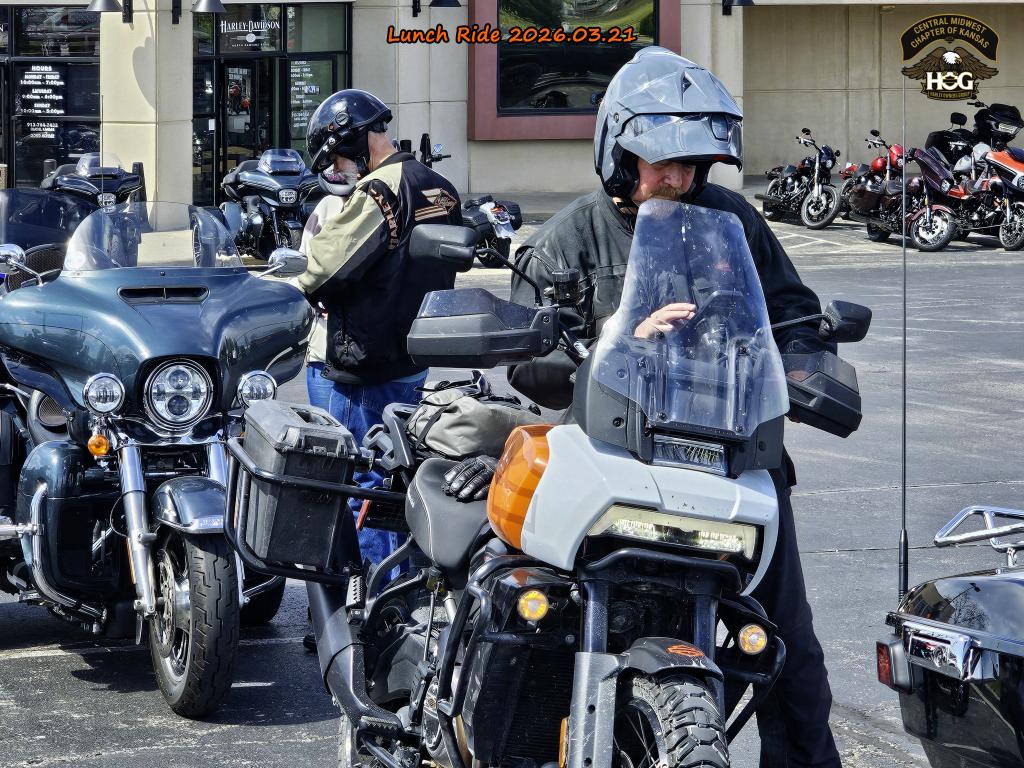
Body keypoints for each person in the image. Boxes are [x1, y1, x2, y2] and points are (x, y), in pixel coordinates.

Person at [447, 47, 843, 768]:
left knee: (788, 649)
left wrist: (807, 364)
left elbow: (793, 315)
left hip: (733, 461)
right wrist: (620, 339)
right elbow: (532, 367)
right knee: (541, 618)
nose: (679, 179)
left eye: (693, 165)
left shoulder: (732, 220)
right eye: (664, 163)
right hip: (613, 460)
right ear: (618, 152)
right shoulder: (567, 240)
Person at [297, 89, 463, 568]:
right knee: (399, 481)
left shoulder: (380, 191)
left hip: (365, 364)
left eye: (337, 157)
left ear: (352, 140)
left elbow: (323, 268)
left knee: (363, 484)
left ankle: (371, 597)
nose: (338, 169)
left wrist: (294, 286)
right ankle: (403, 593)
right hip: (412, 357)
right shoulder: (438, 186)